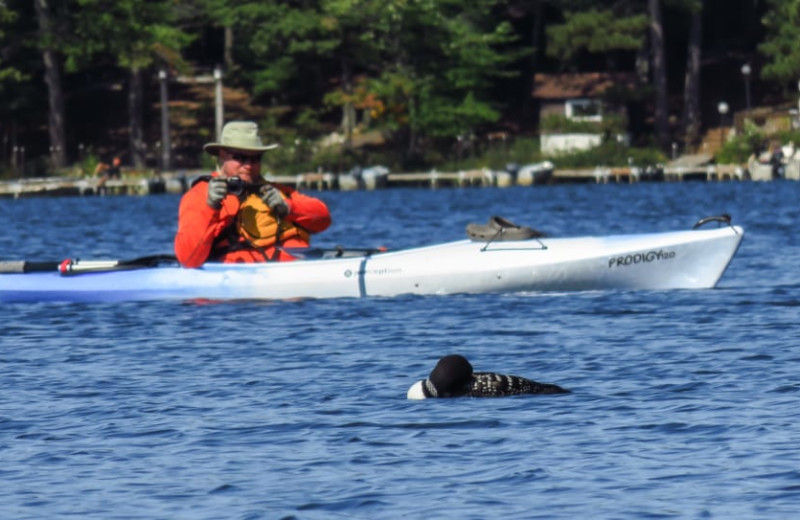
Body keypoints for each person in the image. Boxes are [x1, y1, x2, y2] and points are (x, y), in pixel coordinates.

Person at [174, 121, 331, 268]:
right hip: (238, 281)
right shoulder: (201, 195)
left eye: (255, 158)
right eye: (240, 158)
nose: (248, 165)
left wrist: (288, 207)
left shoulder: (275, 191)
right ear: (222, 155)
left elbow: (323, 219)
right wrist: (211, 207)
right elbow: (188, 260)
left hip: (294, 273)